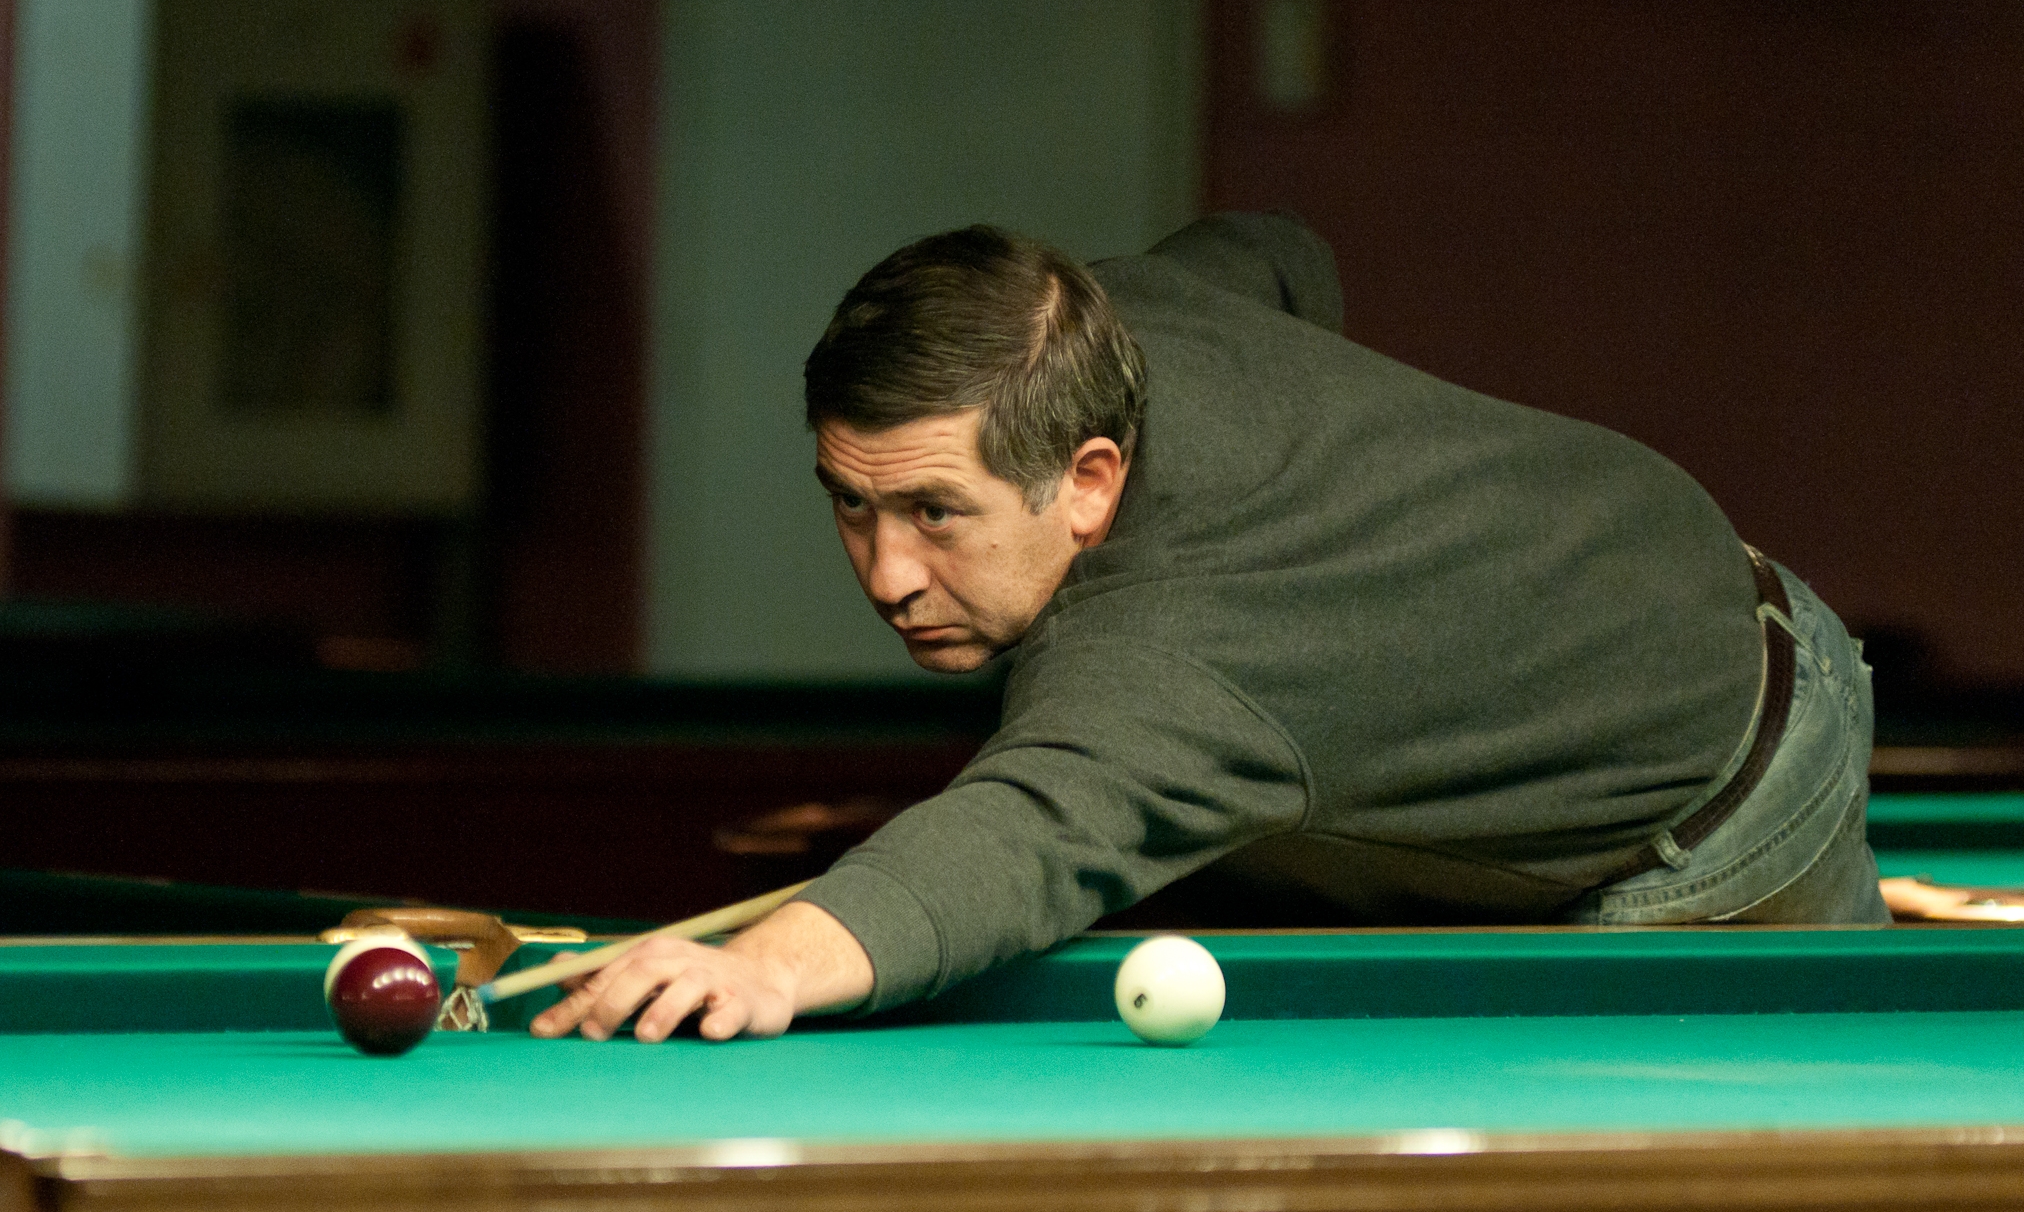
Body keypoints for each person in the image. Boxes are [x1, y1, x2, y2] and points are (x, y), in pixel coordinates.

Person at [531, 213, 1887, 1044]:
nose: (888, 574)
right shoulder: (1120, 320)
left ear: (1090, 480)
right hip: (1687, 572)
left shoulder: (1163, 662)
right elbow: (1278, 249)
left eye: (936, 513)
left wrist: (772, 963)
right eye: (852, 505)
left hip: (1727, 784)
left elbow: (1026, 828)